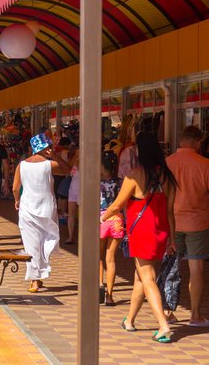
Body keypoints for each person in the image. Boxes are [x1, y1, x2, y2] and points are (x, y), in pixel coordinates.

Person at [101, 132, 177, 342]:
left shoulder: (134, 174)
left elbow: (117, 205)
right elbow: (170, 212)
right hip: (160, 231)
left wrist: (100, 219)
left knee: (147, 277)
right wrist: (172, 239)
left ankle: (163, 325)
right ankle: (130, 320)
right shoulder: (167, 176)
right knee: (141, 276)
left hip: (141, 232)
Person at [12, 133, 70, 292]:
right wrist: (56, 156)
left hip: (27, 208)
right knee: (45, 240)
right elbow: (67, 170)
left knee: (31, 243)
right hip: (47, 208)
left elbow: (15, 188)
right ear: (46, 148)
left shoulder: (21, 165)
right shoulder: (49, 165)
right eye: (50, 147)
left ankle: (35, 278)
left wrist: (17, 200)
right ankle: (38, 274)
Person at [165, 126, 209, 327]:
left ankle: (167, 312)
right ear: (198, 142)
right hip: (198, 222)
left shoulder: (167, 163)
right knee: (196, 267)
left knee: (171, 266)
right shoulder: (205, 164)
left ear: (181, 140)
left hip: (171, 221)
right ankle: (195, 315)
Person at [99, 150, 123, 306]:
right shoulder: (121, 182)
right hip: (117, 220)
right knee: (111, 258)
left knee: (98, 257)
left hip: (100, 219)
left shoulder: (96, 182)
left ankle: (100, 286)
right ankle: (109, 296)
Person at [65, 145, 80, 244]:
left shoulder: (88, 160)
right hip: (73, 189)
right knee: (71, 214)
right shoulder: (75, 160)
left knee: (83, 215)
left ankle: (82, 237)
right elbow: (68, 170)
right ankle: (71, 237)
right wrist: (75, 158)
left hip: (83, 189)